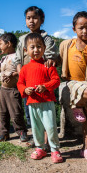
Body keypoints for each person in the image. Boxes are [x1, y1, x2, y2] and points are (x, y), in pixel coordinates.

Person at [59, 11, 87, 161]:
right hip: (72, 83)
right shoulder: (66, 45)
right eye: (81, 27)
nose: (85, 31)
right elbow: (59, 59)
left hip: (86, 85)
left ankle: (86, 148)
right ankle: (77, 105)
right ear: (74, 29)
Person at [17, 33, 63, 163]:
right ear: (26, 50)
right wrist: (25, 90)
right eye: (32, 47)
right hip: (32, 102)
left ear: (44, 48)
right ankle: (40, 148)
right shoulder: (25, 69)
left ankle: (55, 150)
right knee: (36, 127)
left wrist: (45, 86)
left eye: (39, 47)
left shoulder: (48, 65)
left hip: (47, 102)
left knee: (50, 127)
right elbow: (20, 83)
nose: (36, 50)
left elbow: (56, 80)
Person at [15, 6, 57, 130]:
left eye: (35, 18)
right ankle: (37, 137)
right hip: (28, 85)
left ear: (42, 20)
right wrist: (22, 79)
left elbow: (51, 58)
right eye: (28, 18)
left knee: (46, 113)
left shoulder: (47, 39)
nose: (31, 21)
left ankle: (46, 139)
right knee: (30, 112)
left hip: (44, 83)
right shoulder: (22, 40)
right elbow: (18, 60)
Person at [0, 33, 28, 142]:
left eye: (1, 44)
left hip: (13, 89)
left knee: (16, 112)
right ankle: (4, 133)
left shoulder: (16, 57)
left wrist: (12, 75)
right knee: (2, 113)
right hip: (3, 89)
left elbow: (21, 72)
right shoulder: (4, 58)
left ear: (8, 44)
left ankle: (21, 131)